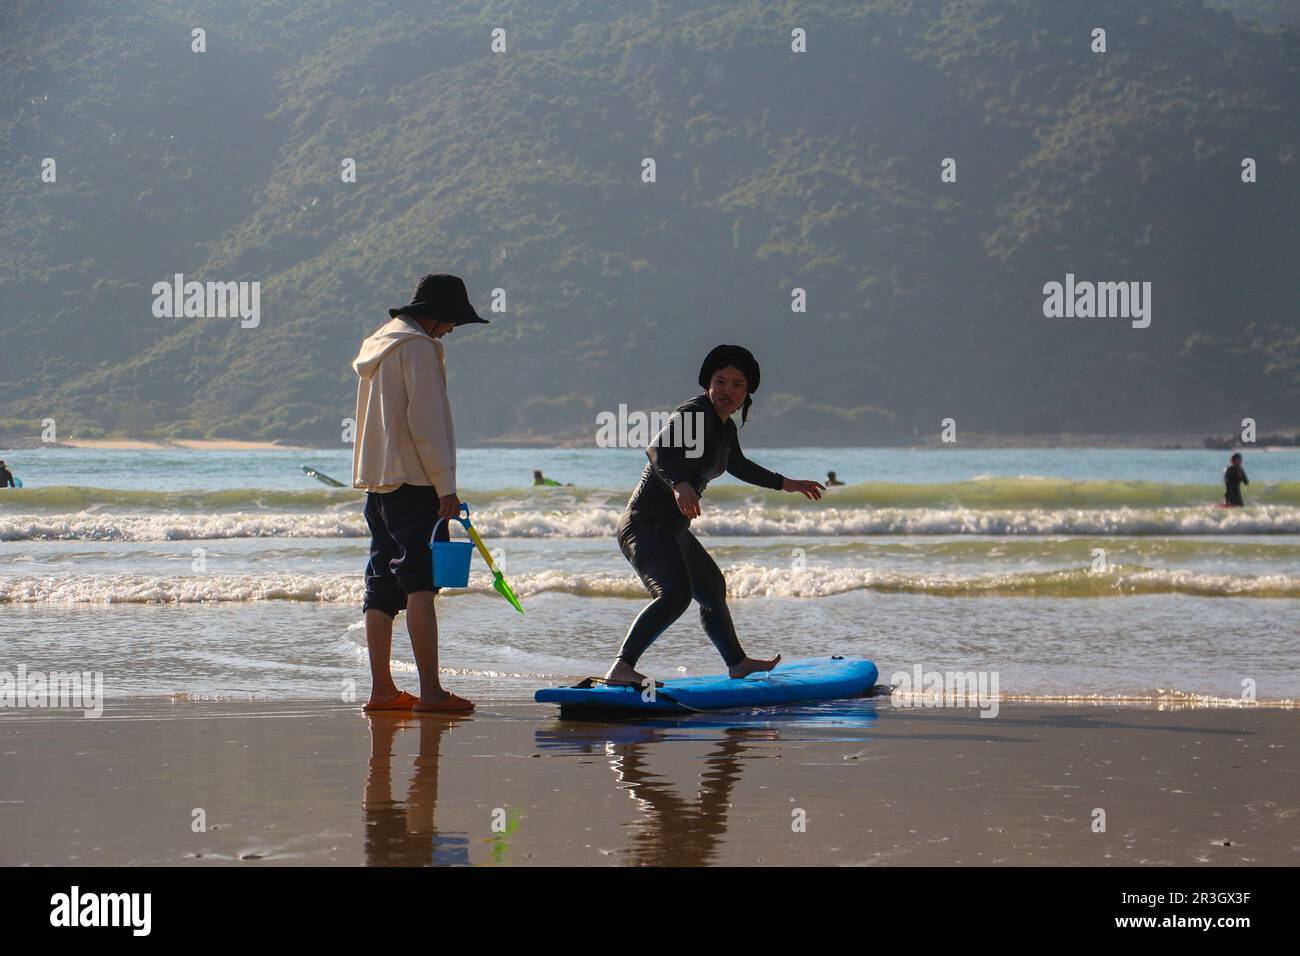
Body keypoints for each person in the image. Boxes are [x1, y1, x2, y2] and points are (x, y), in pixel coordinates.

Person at [604, 345, 825, 687]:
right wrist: (679, 484)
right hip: (645, 524)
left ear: (746, 393)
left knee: (711, 590)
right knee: (674, 595)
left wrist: (787, 484)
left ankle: (737, 664)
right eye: (720, 381)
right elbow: (657, 448)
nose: (727, 391)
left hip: (672, 528)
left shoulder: (724, 429)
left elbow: (740, 466)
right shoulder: (695, 414)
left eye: (737, 384)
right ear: (708, 384)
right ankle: (621, 668)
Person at [351, 273, 488, 714]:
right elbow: (426, 425)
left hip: (379, 484)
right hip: (416, 483)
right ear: (438, 316)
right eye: (452, 323)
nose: (452, 331)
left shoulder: (380, 343)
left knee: (381, 586)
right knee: (422, 585)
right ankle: (431, 692)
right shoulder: (419, 348)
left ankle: (382, 690)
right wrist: (445, 487)